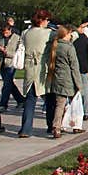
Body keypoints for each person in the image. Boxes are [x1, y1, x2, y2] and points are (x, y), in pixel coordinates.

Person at [18, 10, 53, 138]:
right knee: (49, 100)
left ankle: (25, 129)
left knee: (30, 100)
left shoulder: (25, 33)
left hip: (29, 68)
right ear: (42, 20)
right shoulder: (48, 33)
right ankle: (51, 126)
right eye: (47, 20)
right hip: (42, 69)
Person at [44, 26, 83, 138]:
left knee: (59, 104)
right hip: (68, 78)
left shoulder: (55, 45)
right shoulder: (69, 47)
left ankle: (56, 127)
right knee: (75, 103)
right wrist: (79, 84)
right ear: (66, 34)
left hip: (57, 77)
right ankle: (76, 125)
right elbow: (74, 66)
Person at [0, 22, 24, 111]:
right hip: (2, 63)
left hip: (11, 63)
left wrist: (6, 52)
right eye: (3, 32)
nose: (5, 34)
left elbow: (18, 53)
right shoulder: (0, 39)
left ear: (10, 30)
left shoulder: (17, 38)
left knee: (7, 84)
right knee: (9, 84)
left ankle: (3, 104)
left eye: (6, 32)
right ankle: (21, 100)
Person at [72, 22, 88, 121]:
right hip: (83, 66)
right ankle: (85, 111)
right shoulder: (84, 39)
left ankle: (75, 110)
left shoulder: (72, 39)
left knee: (74, 90)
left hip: (74, 67)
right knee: (84, 90)